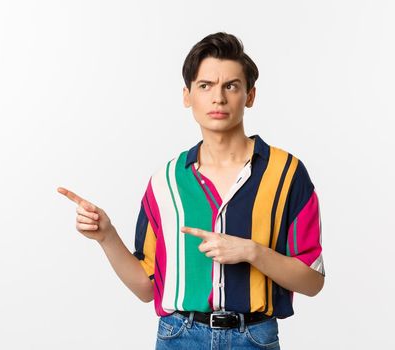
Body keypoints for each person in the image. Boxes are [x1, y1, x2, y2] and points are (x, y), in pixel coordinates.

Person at [57, 32, 324, 349]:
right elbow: (146, 286)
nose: (218, 98)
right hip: (179, 337)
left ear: (250, 95)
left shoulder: (287, 173)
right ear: (187, 95)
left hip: (254, 338)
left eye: (231, 86)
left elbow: (312, 281)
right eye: (205, 85)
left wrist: (252, 252)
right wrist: (106, 236)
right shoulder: (165, 181)